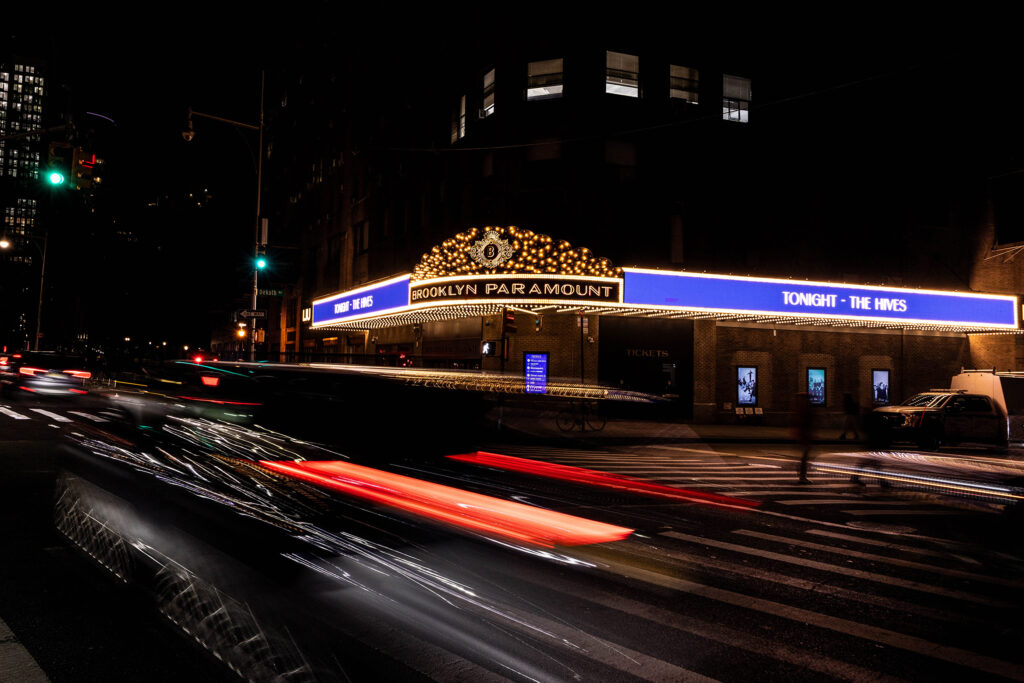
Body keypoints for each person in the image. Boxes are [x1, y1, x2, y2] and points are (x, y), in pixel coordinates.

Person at [793, 392, 814, 483]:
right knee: (805, 457)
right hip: (805, 436)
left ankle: (801, 474)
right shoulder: (805, 409)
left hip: (804, 435)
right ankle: (802, 476)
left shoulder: (800, 408)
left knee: (804, 456)